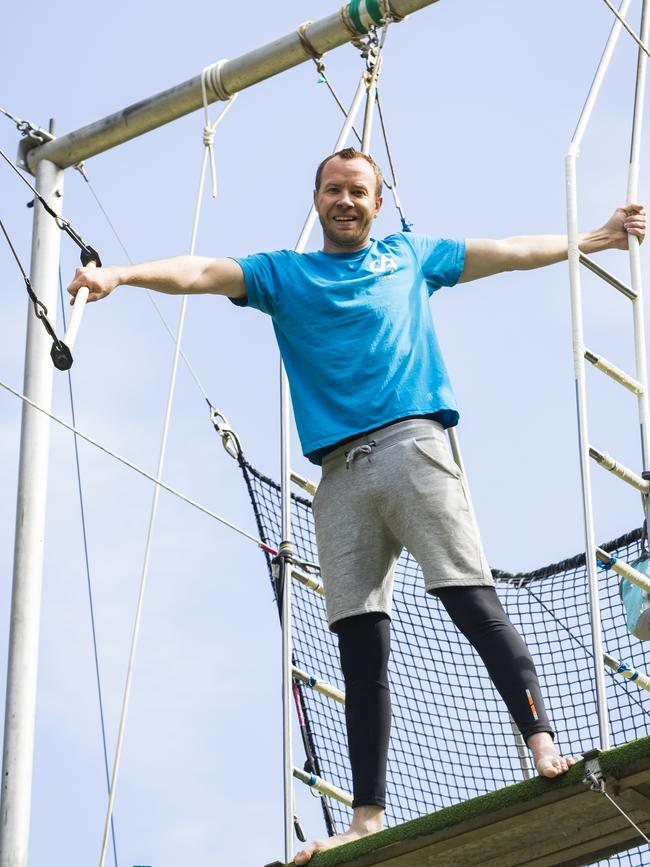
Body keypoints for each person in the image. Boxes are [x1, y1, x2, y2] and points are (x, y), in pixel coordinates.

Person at [68, 148, 646, 865]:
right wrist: (119, 274)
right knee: (359, 647)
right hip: (337, 477)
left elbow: (503, 251)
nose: (346, 200)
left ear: (378, 202)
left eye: (359, 192)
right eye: (334, 190)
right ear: (316, 199)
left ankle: (542, 743)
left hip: (413, 449)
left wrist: (593, 237)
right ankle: (367, 814)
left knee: (470, 600)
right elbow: (200, 269)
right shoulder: (285, 275)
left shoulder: (409, 256)